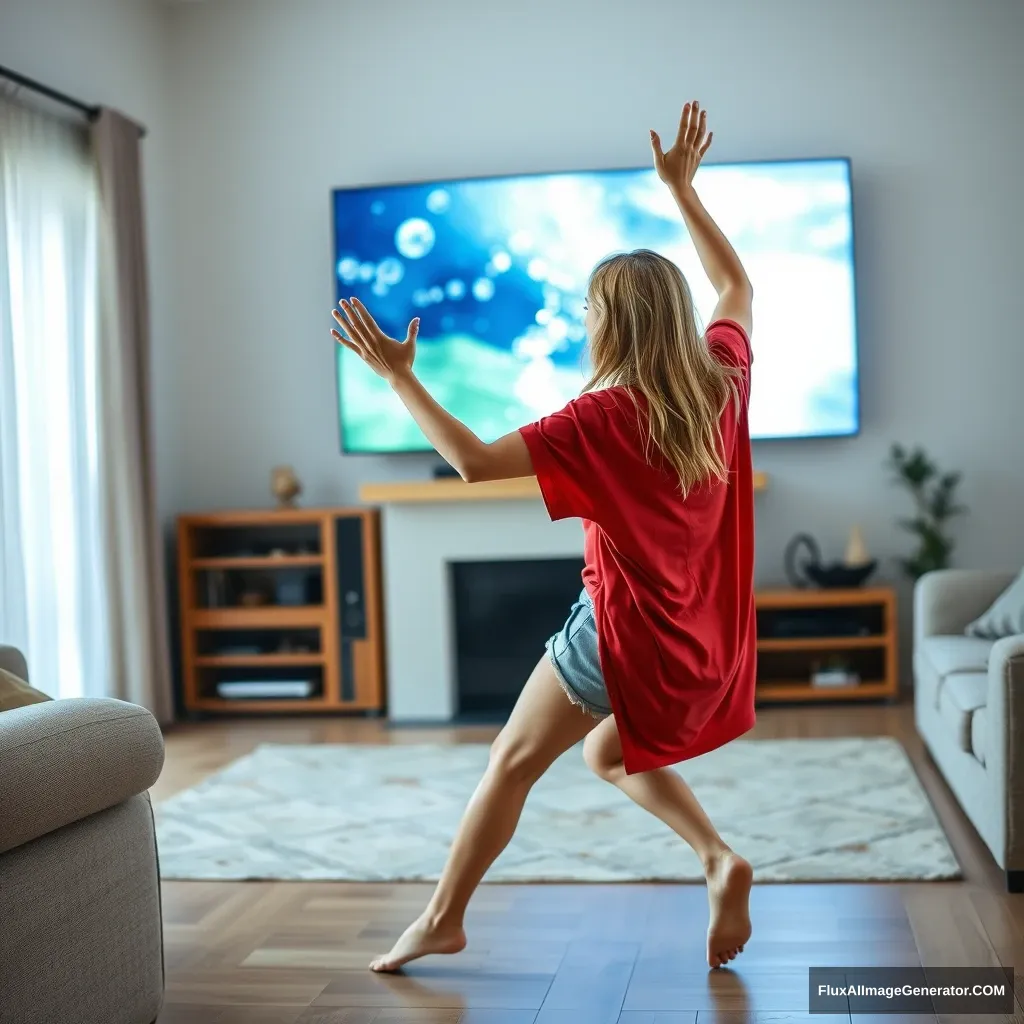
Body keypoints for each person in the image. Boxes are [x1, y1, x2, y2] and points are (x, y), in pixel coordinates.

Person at [331, 100, 756, 973]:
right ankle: (717, 857)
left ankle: (444, 918)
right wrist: (684, 193)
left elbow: (472, 463)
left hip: (619, 635)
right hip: (698, 636)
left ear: (608, 324)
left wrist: (401, 378)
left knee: (509, 760)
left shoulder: (599, 417)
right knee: (608, 750)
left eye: (592, 310)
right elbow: (736, 288)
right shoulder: (723, 380)